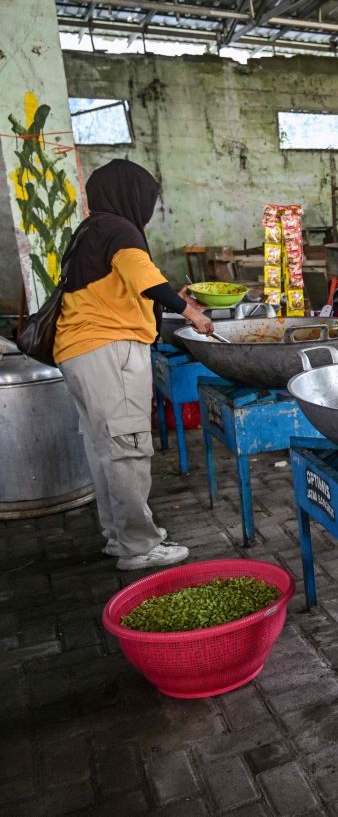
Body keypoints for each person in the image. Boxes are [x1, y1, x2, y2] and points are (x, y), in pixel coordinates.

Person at [53, 159, 215, 571]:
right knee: (127, 447)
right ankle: (139, 546)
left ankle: (118, 536)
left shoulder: (89, 230)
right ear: (131, 194)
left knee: (104, 448)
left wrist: (163, 296)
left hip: (77, 351)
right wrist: (192, 312)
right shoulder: (120, 230)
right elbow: (146, 278)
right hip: (110, 350)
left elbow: (123, 284)